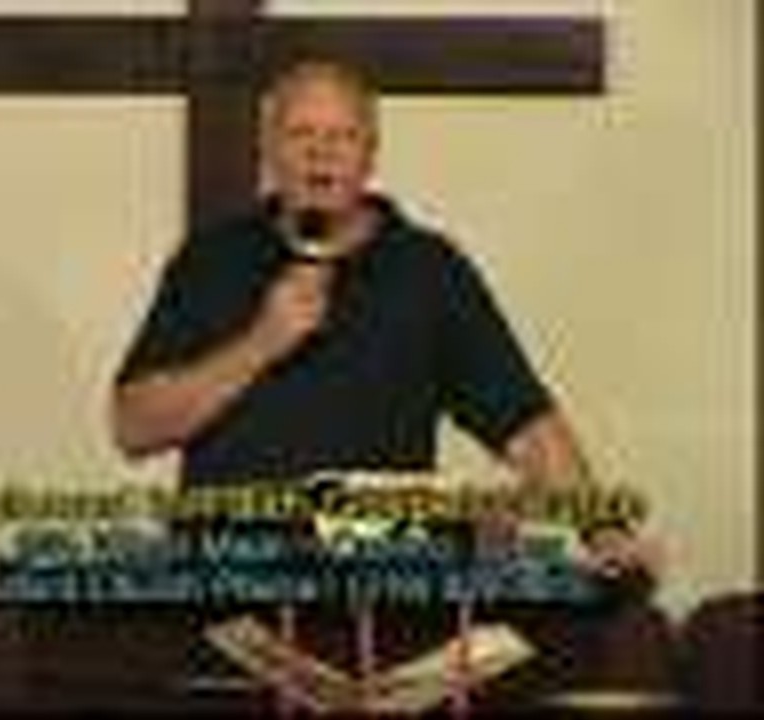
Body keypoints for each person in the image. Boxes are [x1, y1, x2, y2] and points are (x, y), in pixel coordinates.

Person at [109, 58, 672, 707]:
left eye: (342, 136)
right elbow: (133, 426)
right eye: (300, 134)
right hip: (229, 618)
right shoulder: (210, 260)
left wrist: (603, 531)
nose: (320, 153)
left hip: (385, 619)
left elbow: (524, 424)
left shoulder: (429, 270)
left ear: (370, 154)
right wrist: (261, 342)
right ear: (269, 149)